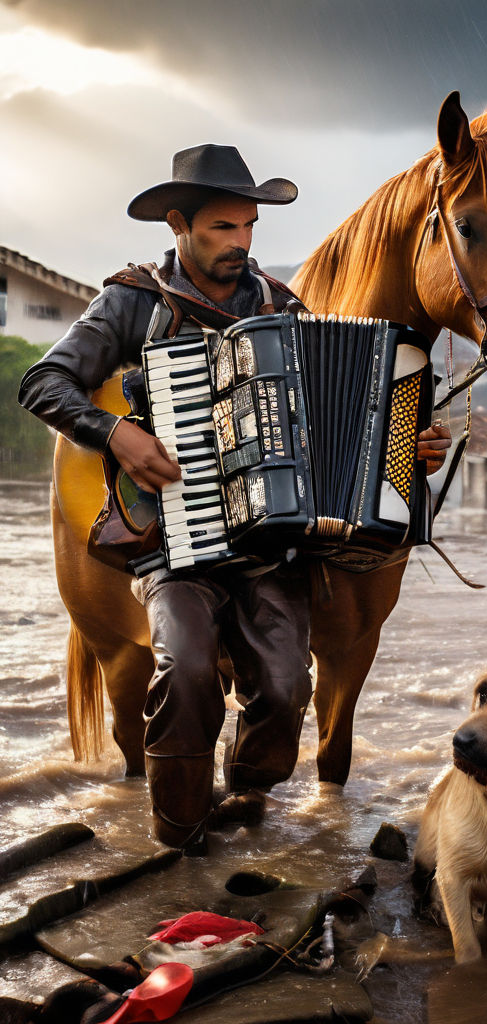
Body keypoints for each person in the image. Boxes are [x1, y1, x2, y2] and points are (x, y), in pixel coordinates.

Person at [19, 145, 451, 852]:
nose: (242, 243)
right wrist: (118, 436)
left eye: (249, 226)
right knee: (186, 668)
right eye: (224, 228)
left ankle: (241, 788)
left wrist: (404, 449)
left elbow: (333, 421)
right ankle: (179, 835)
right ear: (178, 224)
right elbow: (45, 384)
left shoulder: (282, 307)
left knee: (284, 690)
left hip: (267, 546)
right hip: (174, 544)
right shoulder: (133, 302)